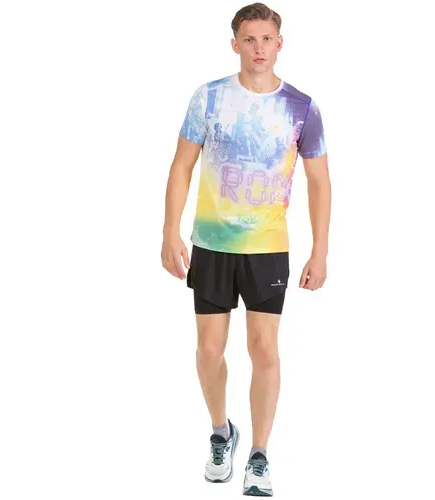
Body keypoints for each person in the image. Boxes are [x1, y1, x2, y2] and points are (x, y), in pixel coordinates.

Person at [160, 3, 330, 496]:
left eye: (267, 39)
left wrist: (320, 251)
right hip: (212, 244)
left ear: (280, 44)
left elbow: (319, 182)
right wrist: (170, 231)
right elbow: (181, 165)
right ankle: (221, 432)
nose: (259, 48)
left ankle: (259, 454)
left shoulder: (301, 107)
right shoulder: (209, 97)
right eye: (249, 40)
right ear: (235, 44)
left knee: (264, 348)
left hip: (267, 247)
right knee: (209, 351)